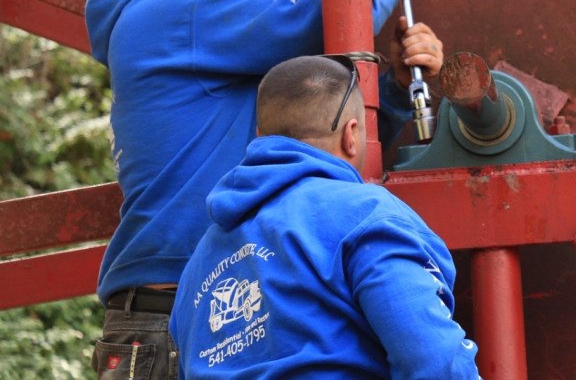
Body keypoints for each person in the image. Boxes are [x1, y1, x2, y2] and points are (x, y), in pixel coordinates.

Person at [86, 0, 444, 379]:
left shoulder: (180, 37)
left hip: (176, 311)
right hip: (173, 318)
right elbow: (315, 21)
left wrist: (397, 88)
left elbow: (307, 128)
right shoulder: (171, 9)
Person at [169, 55, 479, 379]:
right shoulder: (365, 217)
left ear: (261, 136)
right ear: (351, 134)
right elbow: (437, 362)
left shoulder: (199, 263)